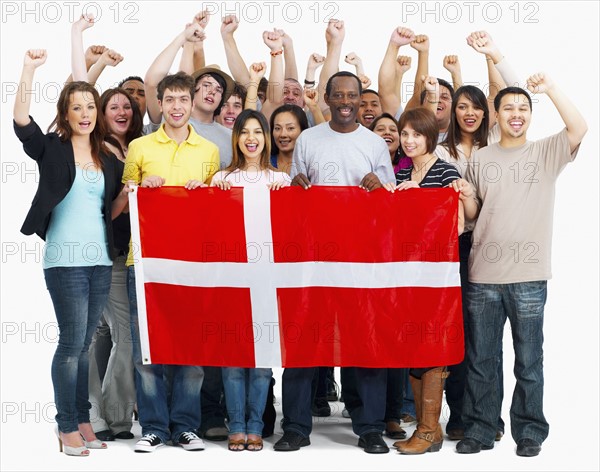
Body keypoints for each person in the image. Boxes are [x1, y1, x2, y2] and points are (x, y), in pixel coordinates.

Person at [457, 75, 587, 457]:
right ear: (495, 116)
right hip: (483, 275)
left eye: (523, 109)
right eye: (509, 108)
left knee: (529, 359)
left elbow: (579, 126)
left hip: (529, 277)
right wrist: (465, 196)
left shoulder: (546, 152)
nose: (516, 114)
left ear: (530, 116)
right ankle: (480, 429)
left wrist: (550, 89)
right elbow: (474, 215)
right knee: (482, 359)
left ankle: (529, 431)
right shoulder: (480, 159)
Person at [13, 49, 131, 457]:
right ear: (65, 113)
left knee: (83, 346)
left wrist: (129, 196)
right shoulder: (52, 148)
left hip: (100, 261)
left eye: (90, 107)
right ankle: (65, 426)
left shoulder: (107, 158)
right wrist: (29, 69)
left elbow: (106, 212)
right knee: (70, 344)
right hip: (65, 263)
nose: (85, 113)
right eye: (76, 107)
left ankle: (82, 420)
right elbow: (21, 121)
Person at [274, 71, 395, 454]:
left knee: (365, 343)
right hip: (313, 260)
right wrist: (296, 188)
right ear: (325, 98)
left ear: (361, 100)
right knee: (304, 341)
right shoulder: (308, 139)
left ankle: (370, 427)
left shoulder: (375, 143)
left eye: (352, 95)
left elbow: (391, 202)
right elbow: (296, 197)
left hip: (360, 261)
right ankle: (295, 426)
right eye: (338, 94)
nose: (345, 101)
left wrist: (379, 187)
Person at [122, 71, 220, 453]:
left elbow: (218, 211)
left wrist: (205, 193)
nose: (177, 107)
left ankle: (184, 426)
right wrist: (139, 188)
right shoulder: (140, 147)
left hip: (193, 263)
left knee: (191, 349)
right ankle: (153, 427)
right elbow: (123, 198)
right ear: (159, 103)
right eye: (170, 100)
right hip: (144, 261)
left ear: (192, 103)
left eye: (184, 99)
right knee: (146, 348)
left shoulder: (209, 151)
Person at [384, 106, 475, 454]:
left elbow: (458, 225)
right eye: (404, 134)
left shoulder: (443, 171)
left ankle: (426, 429)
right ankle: (430, 429)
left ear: (430, 137)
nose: (408, 141)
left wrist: (421, 198)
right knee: (414, 341)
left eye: (416, 135)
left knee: (433, 341)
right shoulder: (404, 170)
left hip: (438, 276)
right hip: (410, 274)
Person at [211, 109, 289, 452]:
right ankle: (236, 425)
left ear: (265, 137)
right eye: (245, 132)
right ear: (237, 138)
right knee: (232, 360)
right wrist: (213, 192)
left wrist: (282, 197)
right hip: (232, 280)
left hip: (267, 283)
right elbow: (206, 226)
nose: (252, 138)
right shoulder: (221, 179)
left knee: (260, 362)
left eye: (258, 131)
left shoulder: (281, 180)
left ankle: (255, 426)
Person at [88, 87, 143, 442]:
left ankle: (106, 412)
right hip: (106, 254)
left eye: (127, 106)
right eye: (113, 106)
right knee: (123, 336)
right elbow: (103, 209)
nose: (121, 111)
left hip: (134, 253)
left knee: (105, 336)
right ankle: (105, 414)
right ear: (101, 112)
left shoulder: (138, 147)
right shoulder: (94, 149)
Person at [269, 104, 309, 175]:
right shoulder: (264, 163)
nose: (283, 134)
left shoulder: (311, 165)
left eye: (290, 128)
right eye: (277, 128)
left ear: (303, 130)